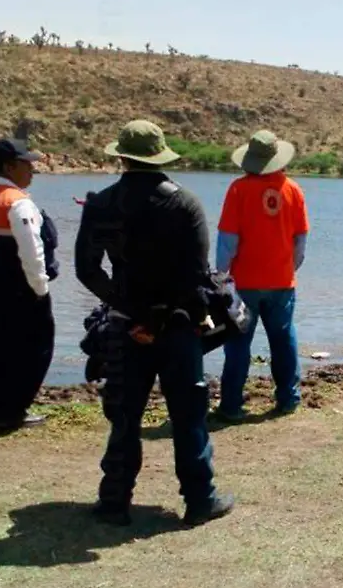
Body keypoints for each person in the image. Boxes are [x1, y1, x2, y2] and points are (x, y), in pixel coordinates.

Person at [75, 119, 234, 527]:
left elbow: (87, 270)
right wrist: (164, 317)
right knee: (188, 412)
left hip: (126, 325)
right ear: (160, 154)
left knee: (125, 414)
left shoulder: (102, 204)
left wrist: (131, 311)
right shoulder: (186, 204)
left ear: (123, 157)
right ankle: (200, 500)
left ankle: (114, 502)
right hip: (179, 326)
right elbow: (196, 275)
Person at [215, 130, 310, 421]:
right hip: (282, 283)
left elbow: (227, 241)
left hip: (244, 284)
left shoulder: (238, 190)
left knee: (238, 345)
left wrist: (220, 277)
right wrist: (287, 269)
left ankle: (231, 406)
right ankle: (288, 399)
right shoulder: (293, 189)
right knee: (283, 340)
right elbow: (300, 242)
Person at [0, 138, 58, 431]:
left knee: (1, 344)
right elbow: (32, 252)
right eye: (26, 164)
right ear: (9, 167)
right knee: (36, 346)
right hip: (22, 289)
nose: (32, 170)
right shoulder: (18, 202)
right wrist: (41, 288)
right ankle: (14, 409)